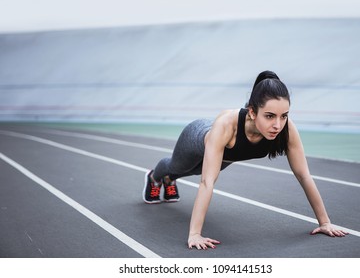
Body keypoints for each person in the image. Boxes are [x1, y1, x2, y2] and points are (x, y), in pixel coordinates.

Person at [142, 70, 348, 250]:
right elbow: (207, 183)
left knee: (193, 171)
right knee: (177, 166)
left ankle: (170, 181)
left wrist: (325, 222)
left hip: (226, 153)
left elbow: (303, 175)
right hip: (197, 137)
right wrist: (195, 234)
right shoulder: (226, 125)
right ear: (252, 111)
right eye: (269, 116)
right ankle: (156, 177)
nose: (278, 124)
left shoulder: (286, 128)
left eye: (283, 115)